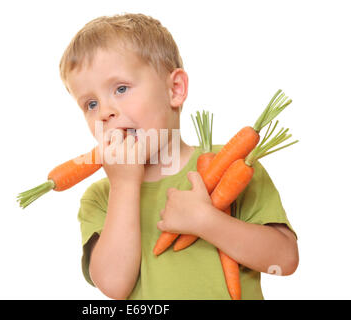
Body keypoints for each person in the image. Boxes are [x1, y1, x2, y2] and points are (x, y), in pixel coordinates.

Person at [59, 13, 298, 300]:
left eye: (121, 89)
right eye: (90, 104)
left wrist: (207, 221)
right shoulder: (99, 198)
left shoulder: (236, 166)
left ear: (175, 89)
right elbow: (113, 286)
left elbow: (284, 261)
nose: (104, 112)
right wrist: (124, 186)